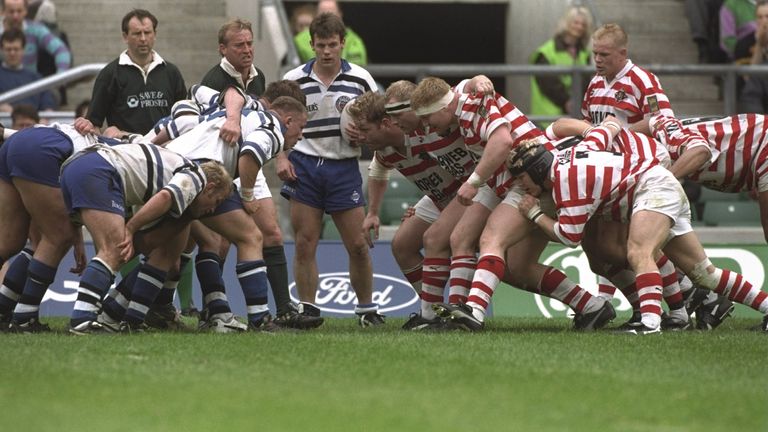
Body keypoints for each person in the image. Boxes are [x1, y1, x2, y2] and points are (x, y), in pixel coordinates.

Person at [512, 130, 768, 334]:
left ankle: (650, 323)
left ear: (536, 170)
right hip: (658, 184)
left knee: (639, 252)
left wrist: (534, 214)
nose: (520, 185)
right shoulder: (567, 159)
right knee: (705, 275)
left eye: (521, 177)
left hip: (652, 189)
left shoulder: (566, 181)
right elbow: (601, 131)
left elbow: (569, 237)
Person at [410, 76, 614, 332]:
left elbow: (503, 141)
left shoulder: (473, 107)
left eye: (427, 118)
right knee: (505, 260)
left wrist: (473, 181)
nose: (426, 126)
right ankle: (591, 306)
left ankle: (472, 312)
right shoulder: (460, 98)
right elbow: (471, 82)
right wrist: (478, 80)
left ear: (442, 108)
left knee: (491, 239)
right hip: (506, 179)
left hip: (530, 178)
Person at [281, 12, 381, 326]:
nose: (326, 51)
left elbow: (379, 121)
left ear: (342, 44)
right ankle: (308, 310)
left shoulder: (361, 78)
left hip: (343, 167)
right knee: (304, 242)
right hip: (305, 165)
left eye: (332, 45)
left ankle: (366, 310)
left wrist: (364, 135)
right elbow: (277, 123)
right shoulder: (294, 79)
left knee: (358, 245)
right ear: (310, 44)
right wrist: (282, 157)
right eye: (321, 45)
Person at [0, 123, 94, 331]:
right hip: (41, 150)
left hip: (17, 145)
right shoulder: (114, 153)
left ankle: (3, 309)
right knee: (58, 236)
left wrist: (76, 237)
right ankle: (25, 317)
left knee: (10, 241)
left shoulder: (88, 138)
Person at [74, 9, 186, 136]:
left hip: (166, 149)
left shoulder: (171, 72)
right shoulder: (110, 74)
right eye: (137, 33)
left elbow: (184, 117)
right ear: (125, 36)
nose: (143, 38)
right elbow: (93, 123)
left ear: (155, 34)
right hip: (126, 151)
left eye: (147, 32)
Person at [529, 6, 592, 126]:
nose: (579, 27)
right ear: (567, 23)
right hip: (548, 116)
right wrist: (567, 101)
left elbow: (585, 82)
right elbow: (548, 83)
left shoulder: (584, 53)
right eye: (576, 22)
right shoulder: (546, 52)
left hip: (574, 115)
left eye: (583, 24)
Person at [0, 0, 70, 75]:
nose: (15, 16)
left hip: (31, 82)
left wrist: (60, 75)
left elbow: (61, 50)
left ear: (26, 11)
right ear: (3, 12)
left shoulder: (36, 30)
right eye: (11, 12)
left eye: (19, 11)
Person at [293, 0, 367, 65]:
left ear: (340, 14)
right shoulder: (299, 40)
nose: (326, 51)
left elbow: (355, 70)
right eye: (323, 14)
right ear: (316, 15)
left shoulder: (354, 41)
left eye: (331, 14)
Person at [0, 28, 56, 112]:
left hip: (34, 123)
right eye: (8, 49)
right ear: (1, 50)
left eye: (16, 49)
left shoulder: (36, 78)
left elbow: (48, 108)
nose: (12, 53)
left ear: (23, 50)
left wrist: (43, 120)